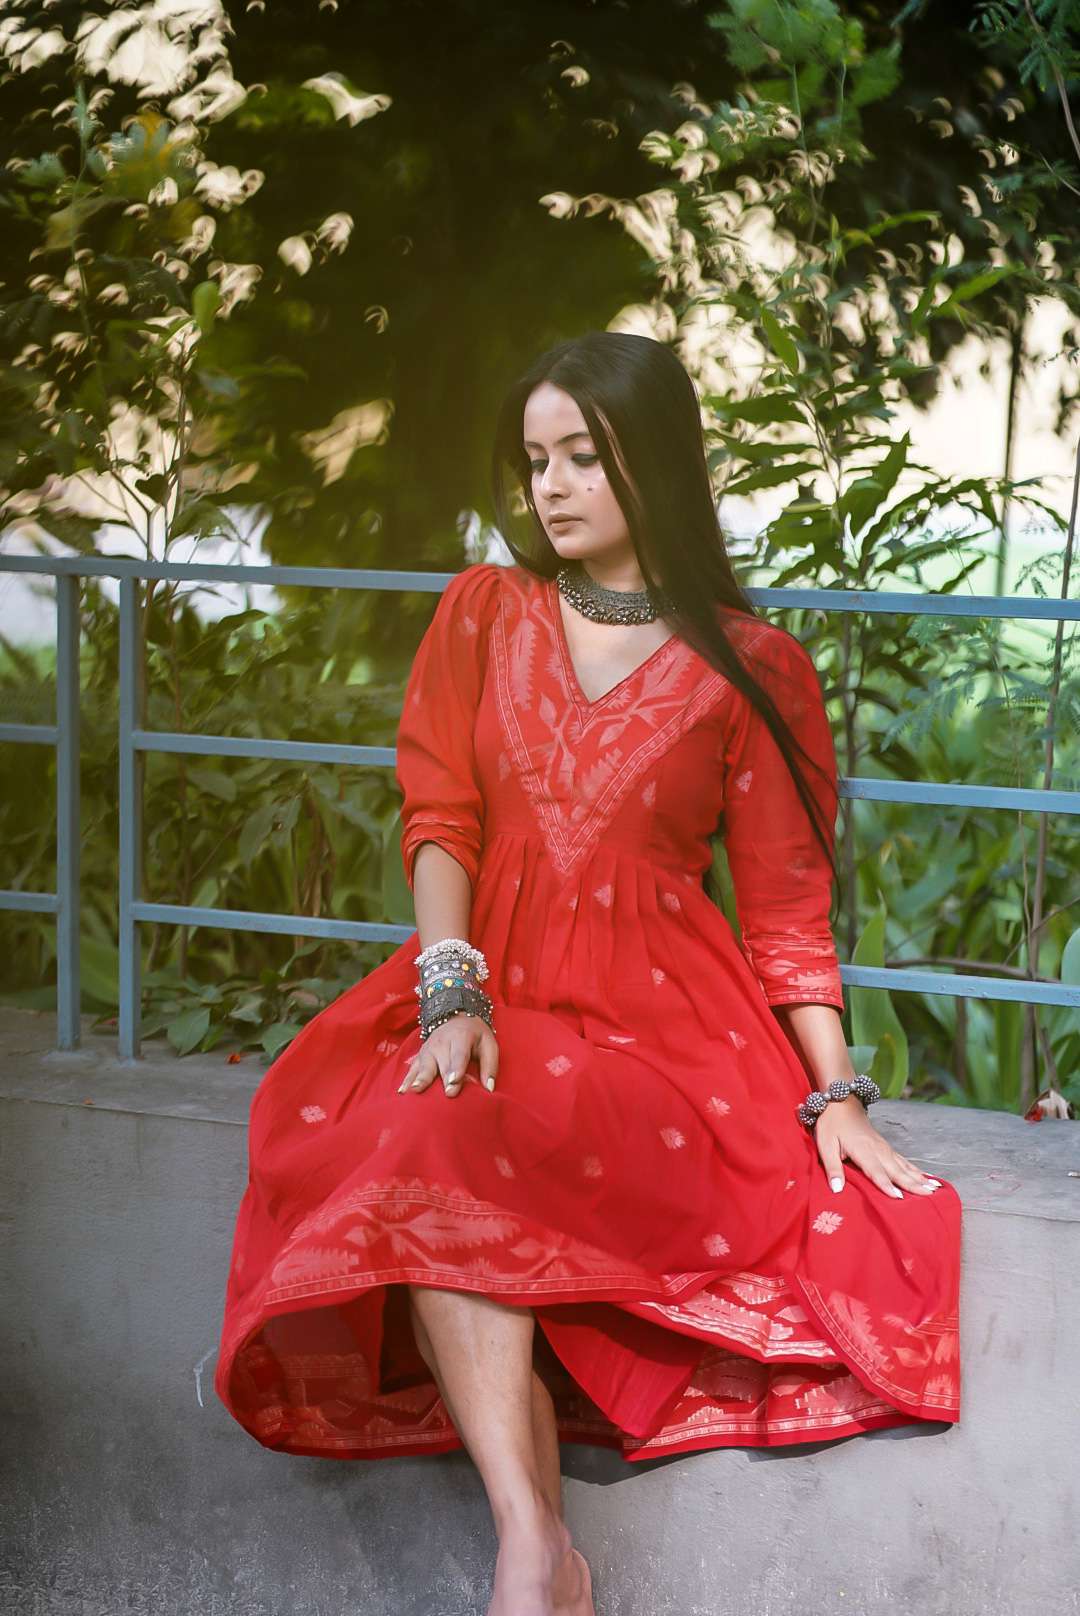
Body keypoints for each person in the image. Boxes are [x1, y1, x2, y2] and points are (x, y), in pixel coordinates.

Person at [215, 331, 961, 1616]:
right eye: (536, 460)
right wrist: (452, 985)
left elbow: (786, 909)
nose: (550, 486)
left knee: (461, 1130)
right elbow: (441, 813)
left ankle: (538, 1557)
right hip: (488, 990)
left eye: (582, 457)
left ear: (653, 462)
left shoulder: (753, 665)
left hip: (662, 1034)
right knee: (428, 1116)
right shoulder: (485, 612)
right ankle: (534, 1545)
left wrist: (836, 1091)